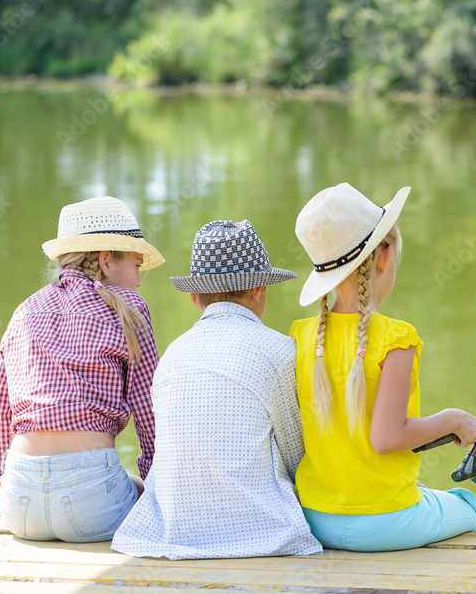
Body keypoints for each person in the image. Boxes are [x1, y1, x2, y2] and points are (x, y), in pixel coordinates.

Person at [289, 182, 476, 552]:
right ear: (383, 257)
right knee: (470, 508)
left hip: (315, 517)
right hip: (384, 524)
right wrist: (452, 420)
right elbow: (386, 439)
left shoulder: (302, 337)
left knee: (425, 496)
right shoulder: (396, 338)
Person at [112, 220, 322, 559]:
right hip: (261, 532)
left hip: (174, 531)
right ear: (258, 290)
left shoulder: (172, 355)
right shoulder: (278, 350)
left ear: (195, 297)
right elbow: (296, 454)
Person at [0, 196, 163, 542]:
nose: (139, 282)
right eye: (137, 267)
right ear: (107, 261)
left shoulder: (25, 311)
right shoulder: (130, 307)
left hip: (18, 506)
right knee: (137, 489)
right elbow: (149, 414)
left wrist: (3, 480)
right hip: (90, 502)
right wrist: (156, 488)